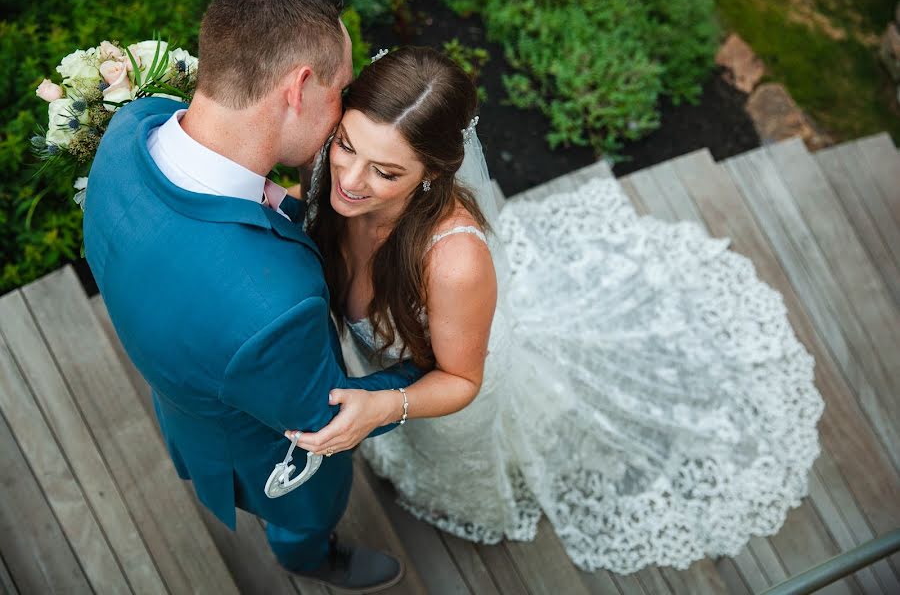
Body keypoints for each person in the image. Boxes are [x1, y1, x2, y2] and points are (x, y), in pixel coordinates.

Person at [292, 46, 826, 574]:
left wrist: (387, 407)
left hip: (445, 387)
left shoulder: (453, 263)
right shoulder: (328, 164)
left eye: (386, 173)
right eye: (347, 145)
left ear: (432, 173)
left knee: (443, 448)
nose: (351, 180)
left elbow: (460, 379)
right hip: (386, 372)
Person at [82, 0, 421, 592]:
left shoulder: (130, 130)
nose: (344, 109)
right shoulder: (273, 308)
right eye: (340, 88)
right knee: (307, 512)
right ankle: (307, 555)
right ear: (299, 87)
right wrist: (435, 374)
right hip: (262, 451)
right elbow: (325, 416)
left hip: (187, 383)